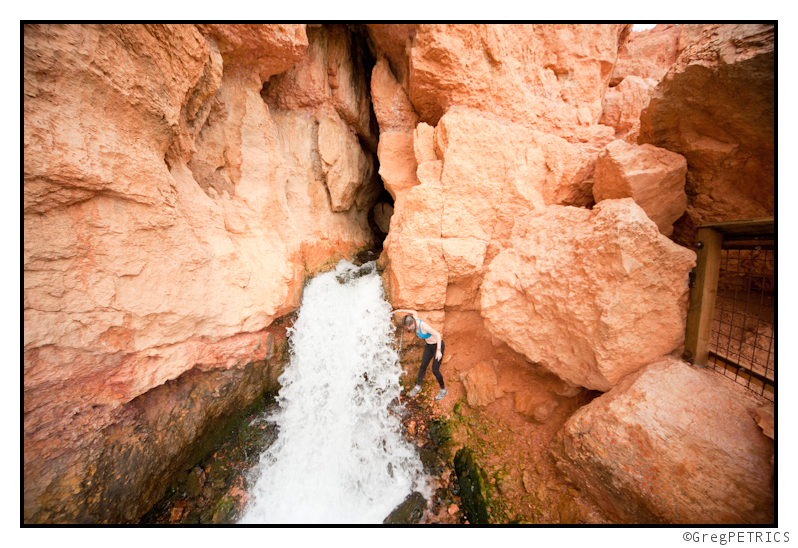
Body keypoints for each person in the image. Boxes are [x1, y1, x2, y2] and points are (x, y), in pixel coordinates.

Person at [392, 309, 447, 401]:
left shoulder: (423, 326)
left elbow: (437, 335)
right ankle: (418, 387)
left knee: (435, 369)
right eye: (408, 327)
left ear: (413, 322)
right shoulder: (414, 318)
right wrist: (400, 309)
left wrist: (438, 350)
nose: (409, 329)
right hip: (429, 346)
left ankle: (443, 390)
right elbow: (414, 312)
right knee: (422, 366)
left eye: (410, 326)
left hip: (438, 346)